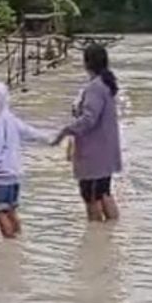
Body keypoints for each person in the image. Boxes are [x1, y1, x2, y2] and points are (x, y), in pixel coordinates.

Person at [53, 44, 123, 222]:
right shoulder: (107, 84)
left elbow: (89, 119)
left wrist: (66, 130)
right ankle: (111, 233)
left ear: (87, 63)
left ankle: (96, 233)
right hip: (105, 151)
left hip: (94, 153)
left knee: (91, 197)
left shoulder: (94, 87)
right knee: (104, 193)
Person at [0, 82, 52, 239]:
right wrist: (51, 138)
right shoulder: (12, 120)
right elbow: (31, 132)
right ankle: (18, 238)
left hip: (0, 176)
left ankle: (9, 240)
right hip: (15, 175)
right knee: (11, 209)